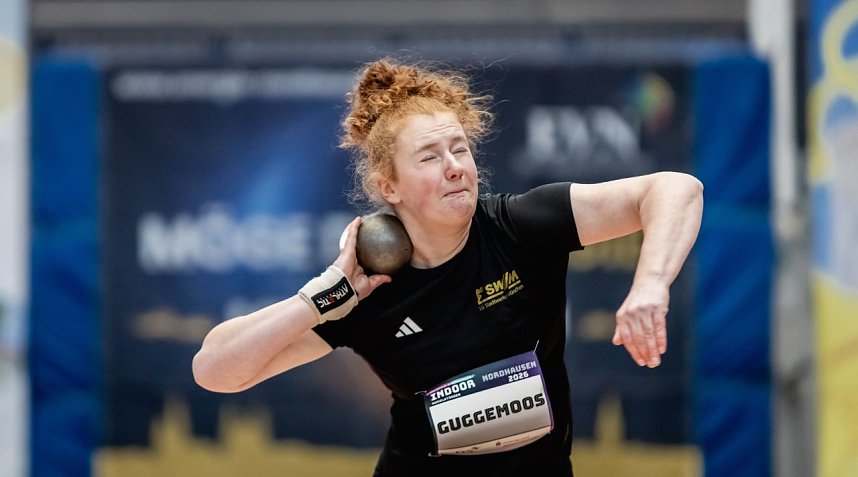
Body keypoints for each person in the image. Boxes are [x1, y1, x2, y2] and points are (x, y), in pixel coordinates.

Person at [192, 57, 704, 476]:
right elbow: (216, 371)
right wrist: (323, 298)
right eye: (431, 156)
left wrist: (650, 286)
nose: (455, 164)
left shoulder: (519, 228)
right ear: (388, 187)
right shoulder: (369, 289)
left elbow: (677, 189)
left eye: (460, 148)